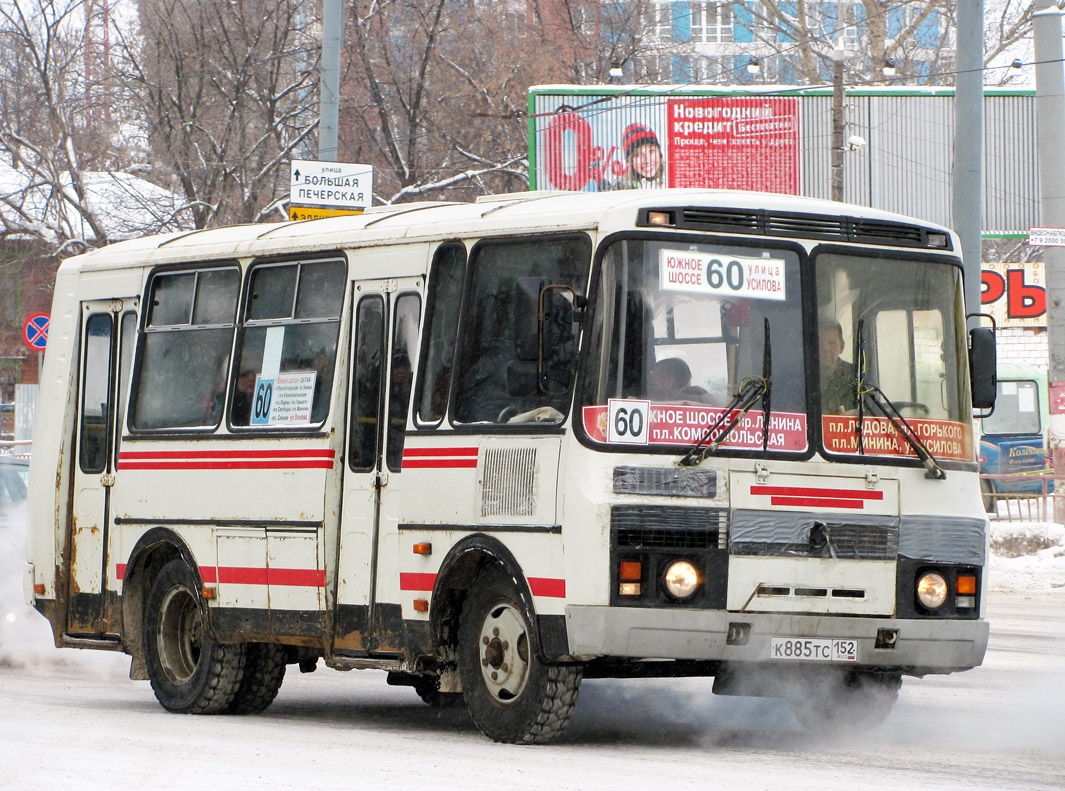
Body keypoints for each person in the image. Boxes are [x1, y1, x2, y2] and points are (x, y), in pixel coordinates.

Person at [610, 123, 665, 190]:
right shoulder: (620, 188)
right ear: (630, 160)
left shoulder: (674, 180)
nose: (647, 160)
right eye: (638, 155)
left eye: (651, 151)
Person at [819, 322, 858, 413]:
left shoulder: (856, 375)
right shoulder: (803, 378)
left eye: (832, 343)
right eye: (820, 344)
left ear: (841, 347)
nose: (825, 349)